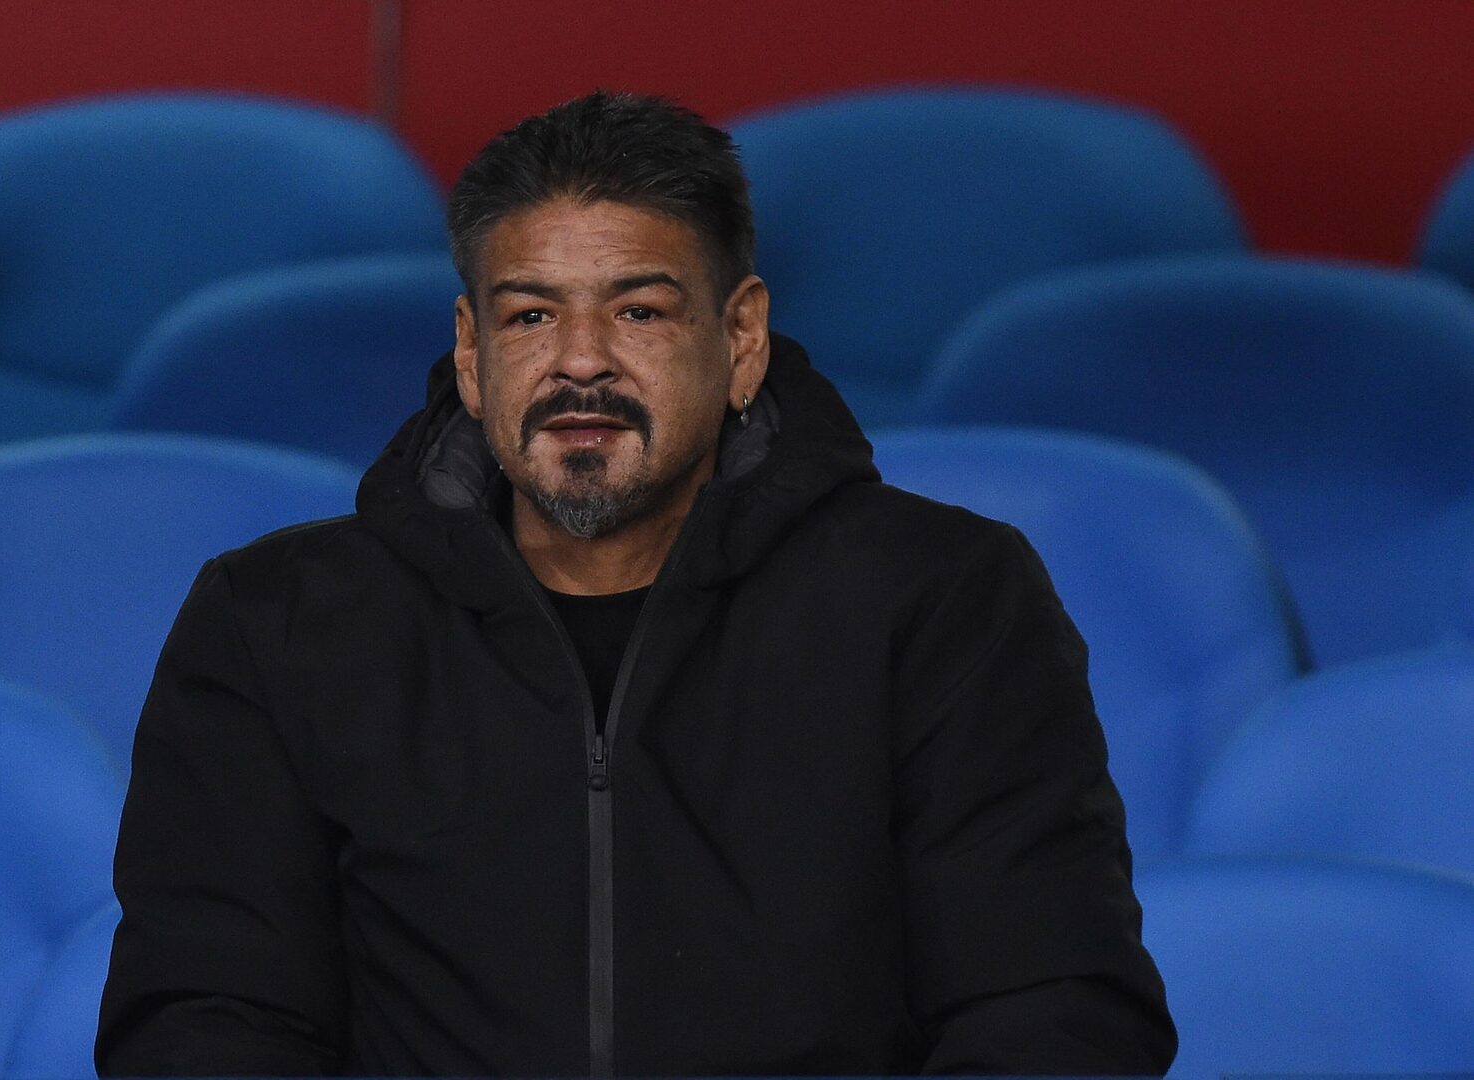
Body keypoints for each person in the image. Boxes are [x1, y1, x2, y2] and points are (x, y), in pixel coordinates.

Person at [97, 90, 1177, 1076]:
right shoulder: (277, 620)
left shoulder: (944, 598)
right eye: (529, 315)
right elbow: (206, 1020)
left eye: (637, 312)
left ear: (740, 338)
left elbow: (1050, 1013)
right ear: (470, 354)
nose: (579, 361)